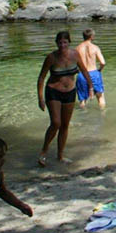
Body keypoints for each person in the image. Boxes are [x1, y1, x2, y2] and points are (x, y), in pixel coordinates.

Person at [35, 30, 94, 166]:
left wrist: (90, 87)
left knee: (65, 125)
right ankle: (44, 151)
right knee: (56, 123)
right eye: (60, 42)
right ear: (56, 43)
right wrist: (40, 98)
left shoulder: (75, 54)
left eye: (65, 42)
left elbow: (84, 71)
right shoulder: (51, 57)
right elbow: (42, 77)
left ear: (69, 42)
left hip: (70, 92)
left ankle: (60, 155)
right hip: (53, 92)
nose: (62, 45)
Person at [75, 28, 107, 110]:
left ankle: (84, 117)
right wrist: (99, 70)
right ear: (92, 36)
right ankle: (103, 115)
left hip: (82, 75)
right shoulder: (95, 48)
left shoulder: (77, 48)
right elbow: (103, 62)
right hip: (94, 73)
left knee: (82, 100)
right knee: (100, 97)